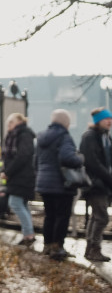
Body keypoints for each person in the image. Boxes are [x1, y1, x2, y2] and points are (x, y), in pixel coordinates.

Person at [35, 108, 84, 261]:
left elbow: (35, 161)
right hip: (62, 184)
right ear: (66, 123)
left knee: (49, 216)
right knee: (62, 216)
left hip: (44, 183)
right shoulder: (64, 137)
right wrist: (81, 160)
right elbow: (67, 157)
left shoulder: (41, 137)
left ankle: (47, 245)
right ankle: (58, 248)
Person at [79, 108, 112, 262]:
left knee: (96, 216)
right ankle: (94, 248)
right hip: (95, 183)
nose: (109, 121)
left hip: (103, 183)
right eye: (106, 119)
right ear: (98, 120)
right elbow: (93, 162)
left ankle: (90, 249)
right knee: (102, 217)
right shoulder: (90, 137)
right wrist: (107, 177)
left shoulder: (105, 136)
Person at [2, 112, 37, 247]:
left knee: (15, 203)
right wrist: (5, 171)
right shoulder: (14, 136)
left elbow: (23, 156)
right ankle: (28, 234)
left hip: (22, 176)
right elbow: (7, 158)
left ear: (19, 122)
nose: (8, 125)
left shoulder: (24, 135)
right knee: (22, 204)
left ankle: (29, 235)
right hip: (17, 176)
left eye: (11, 122)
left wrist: (8, 172)